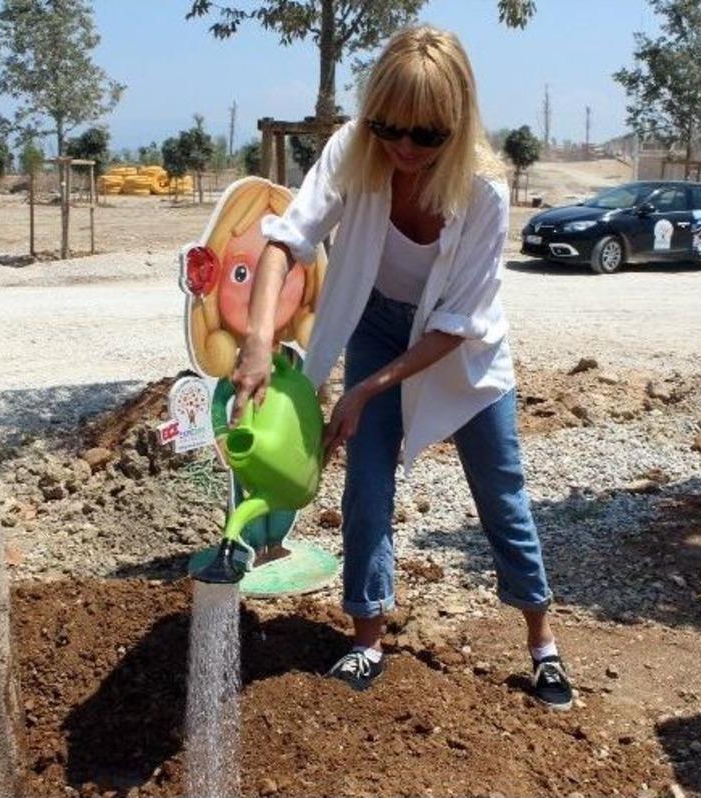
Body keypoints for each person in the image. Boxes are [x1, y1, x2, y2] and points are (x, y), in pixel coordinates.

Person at [230, 25, 572, 711]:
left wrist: (364, 390)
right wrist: (260, 341)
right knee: (365, 484)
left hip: (461, 350)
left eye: (426, 136)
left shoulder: (484, 193)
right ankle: (367, 638)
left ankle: (542, 644)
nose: (404, 149)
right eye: (390, 127)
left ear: (457, 124)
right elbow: (283, 242)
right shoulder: (352, 150)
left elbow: (457, 323)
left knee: (501, 493)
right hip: (378, 326)